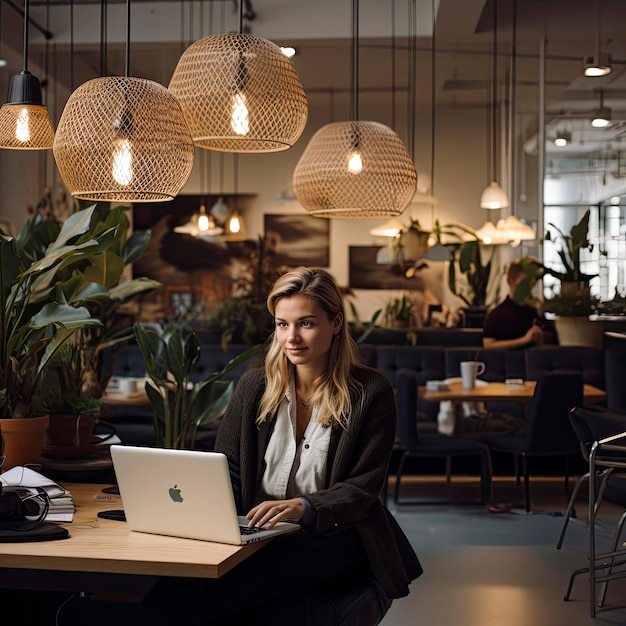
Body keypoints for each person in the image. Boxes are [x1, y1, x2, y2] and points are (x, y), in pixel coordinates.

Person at [135, 266, 422, 625]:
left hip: (336, 531)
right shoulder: (255, 386)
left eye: (306, 323)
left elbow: (362, 487)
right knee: (187, 586)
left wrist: (303, 507)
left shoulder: (370, 392)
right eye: (282, 324)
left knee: (213, 590)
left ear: (335, 323)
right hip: (258, 529)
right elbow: (229, 468)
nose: (292, 338)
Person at [483, 259, 544, 350]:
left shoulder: (532, 313)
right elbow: (488, 345)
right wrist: (524, 340)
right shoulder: (496, 316)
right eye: (523, 283)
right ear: (510, 281)